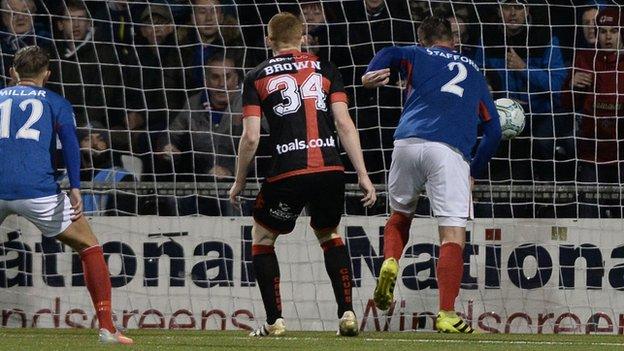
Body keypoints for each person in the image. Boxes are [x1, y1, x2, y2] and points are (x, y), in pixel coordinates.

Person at [229, 12, 376, 337]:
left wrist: (239, 180)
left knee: (264, 238)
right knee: (329, 233)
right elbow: (344, 123)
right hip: (329, 168)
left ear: (269, 40)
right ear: (302, 37)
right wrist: (363, 174)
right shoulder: (326, 69)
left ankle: (275, 321)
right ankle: (348, 314)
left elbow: (251, 137)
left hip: (287, 170)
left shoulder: (256, 76)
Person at [362, 16, 501, 333]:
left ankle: (391, 261)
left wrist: (371, 71)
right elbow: (493, 132)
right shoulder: (474, 71)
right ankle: (447, 314)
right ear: (452, 39)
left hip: (406, 143)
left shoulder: (416, 53)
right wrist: (474, 172)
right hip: (449, 151)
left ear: (422, 38)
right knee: (452, 235)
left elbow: (389, 51)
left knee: (400, 214)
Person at [0, 46, 132, 344]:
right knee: (89, 246)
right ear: (47, 73)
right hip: (38, 190)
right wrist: (75, 187)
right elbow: (71, 145)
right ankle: (107, 328)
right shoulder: (55, 102)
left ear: (13, 72)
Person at [561, 7, 624, 218]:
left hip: (621, 154)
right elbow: (566, 104)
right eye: (603, 31)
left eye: (614, 31)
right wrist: (572, 84)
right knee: (588, 215)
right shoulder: (585, 58)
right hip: (591, 153)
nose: (608, 37)